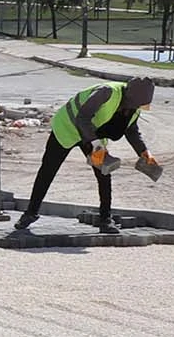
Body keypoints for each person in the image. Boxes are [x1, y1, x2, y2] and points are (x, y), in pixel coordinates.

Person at [16, 77, 160, 231]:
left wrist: (144, 153)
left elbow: (131, 130)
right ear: (129, 96)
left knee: (104, 172)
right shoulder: (106, 92)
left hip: (92, 134)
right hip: (68, 127)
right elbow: (82, 118)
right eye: (136, 104)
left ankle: (106, 220)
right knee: (48, 170)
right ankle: (30, 213)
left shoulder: (134, 106)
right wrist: (96, 145)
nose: (137, 107)